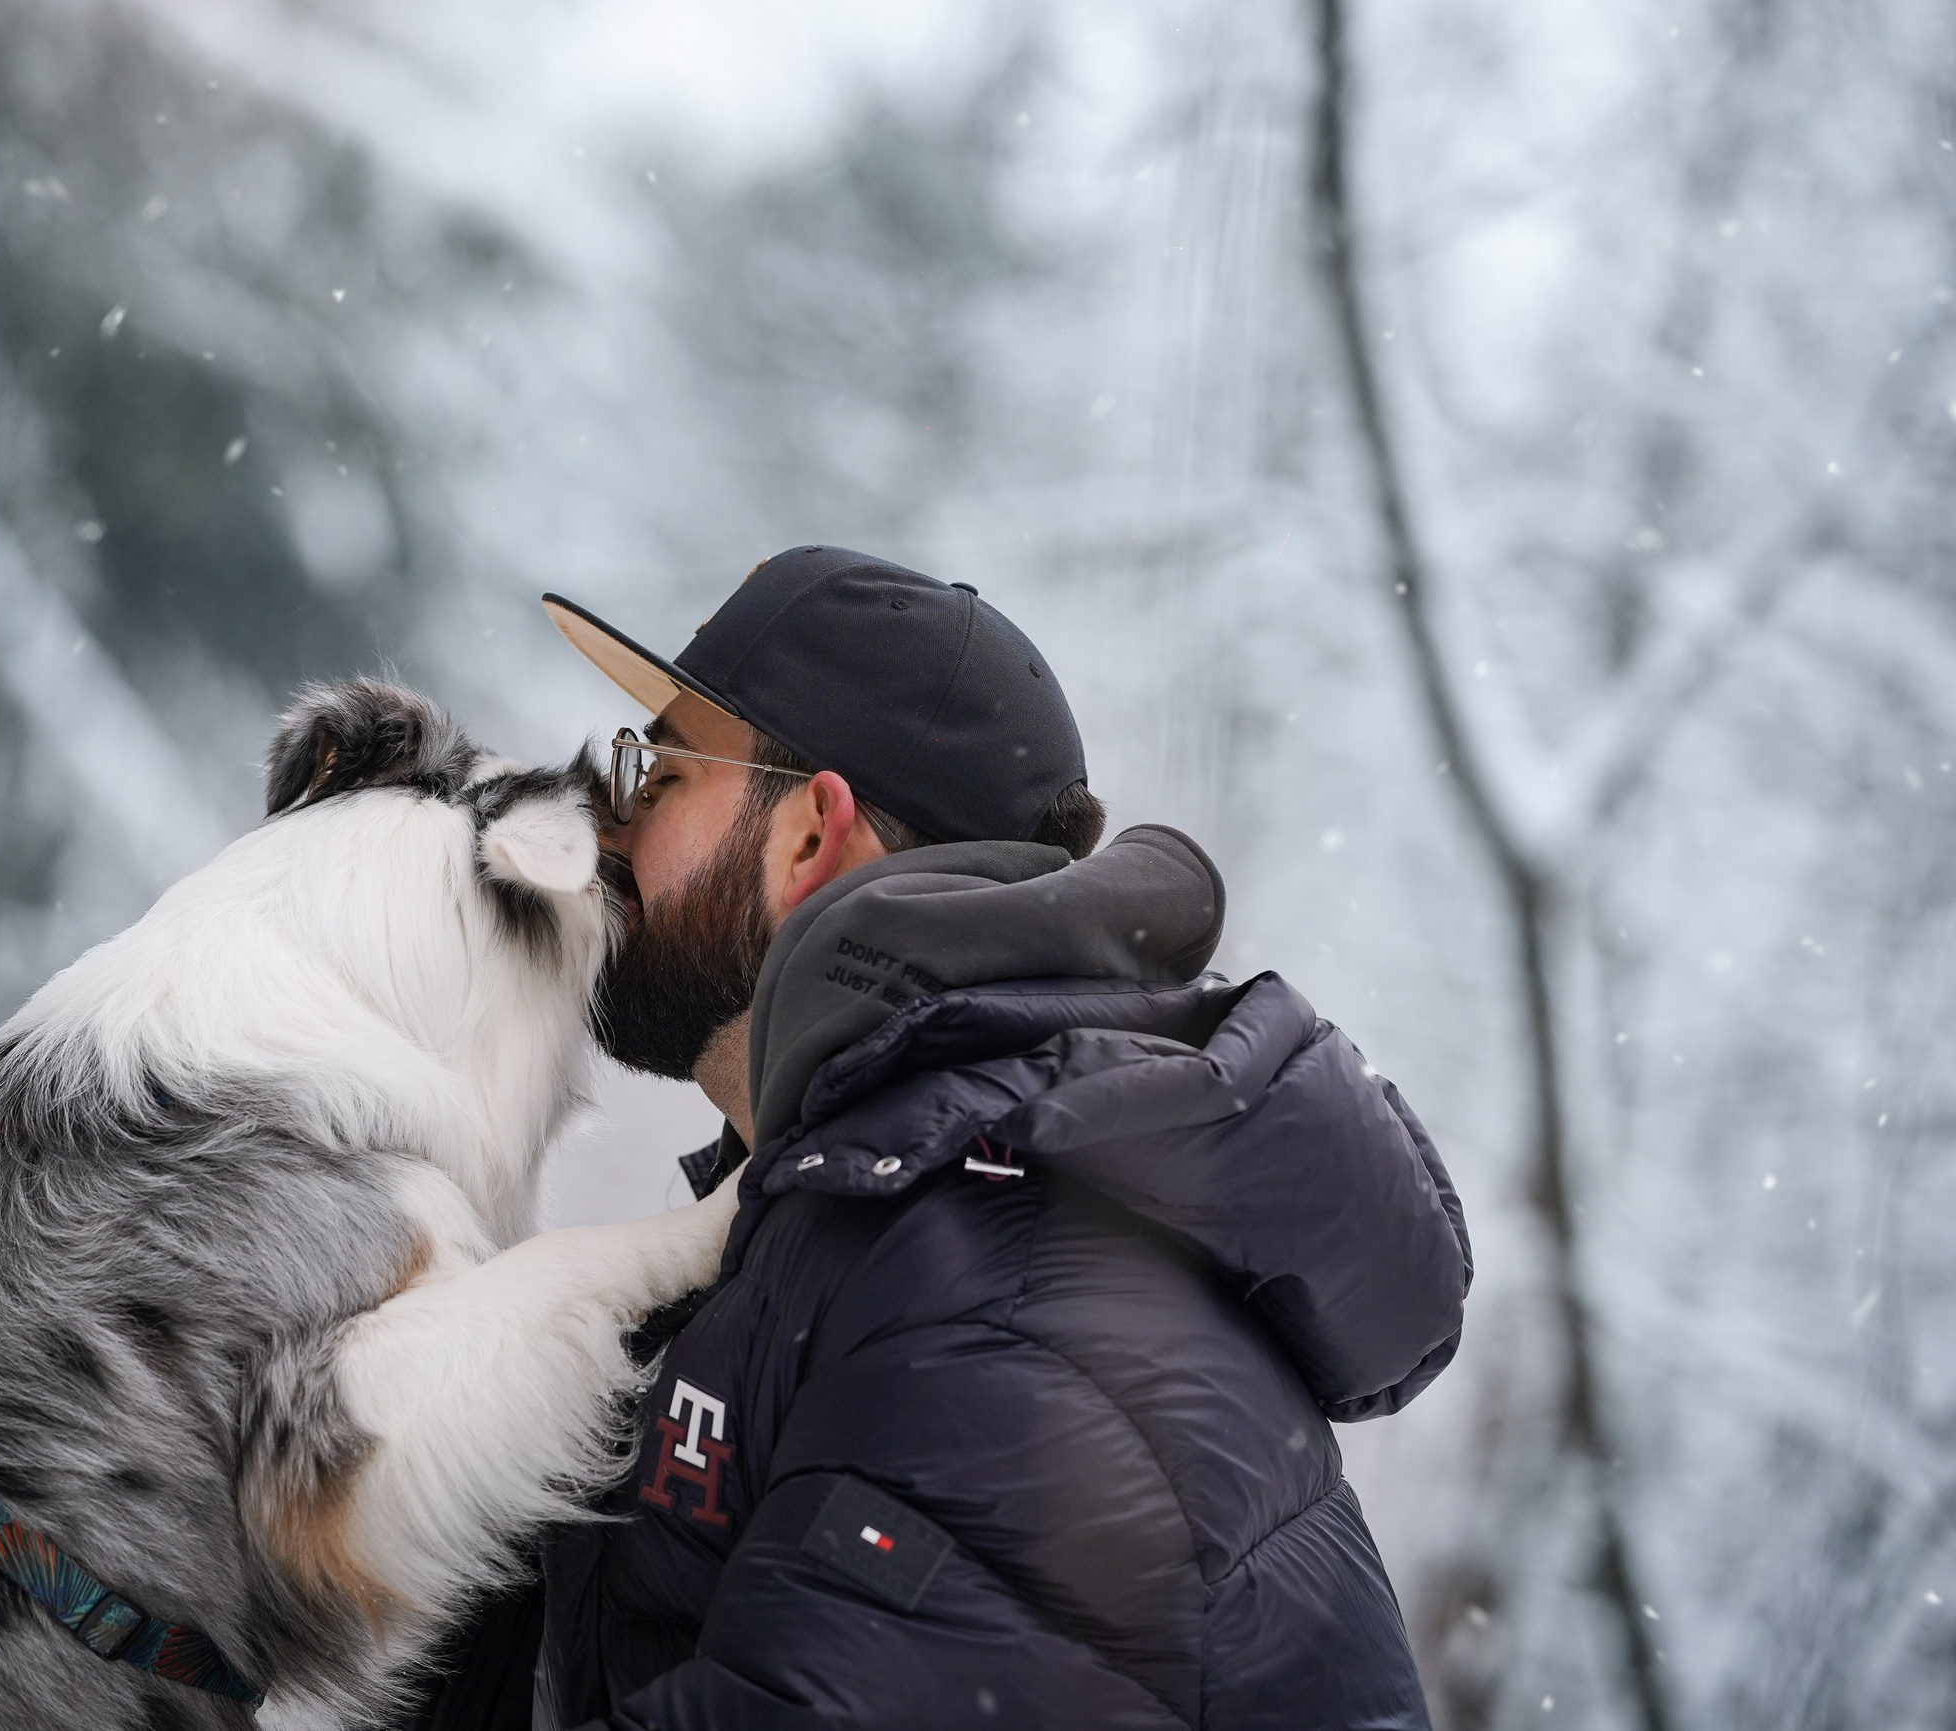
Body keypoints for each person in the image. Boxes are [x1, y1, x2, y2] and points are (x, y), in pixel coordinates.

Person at [439, 545, 1473, 1730]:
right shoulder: (848, 1222)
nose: (606, 829)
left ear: (809, 834)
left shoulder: (1002, 1294)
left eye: (656, 774)